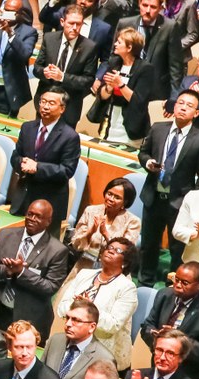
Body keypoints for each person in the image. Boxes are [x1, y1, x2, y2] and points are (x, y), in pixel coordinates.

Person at [138, 89, 199, 286]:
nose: (183, 107)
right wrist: (148, 163)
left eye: (189, 105)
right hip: (153, 197)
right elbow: (143, 153)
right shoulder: (158, 128)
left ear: (196, 113)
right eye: (180, 103)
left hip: (180, 203)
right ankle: (144, 284)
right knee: (148, 245)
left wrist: (192, 201)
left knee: (177, 249)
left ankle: (173, 288)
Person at [0, 199, 69, 343]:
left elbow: (50, 287)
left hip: (30, 318)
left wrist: (22, 272)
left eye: (38, 216)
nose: (32, 219)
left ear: (48, 221)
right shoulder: (6, 235)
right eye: (30, 214)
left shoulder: (57, 250)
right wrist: (6, 271)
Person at [56, 238, 139, 372]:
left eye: (117, 250)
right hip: (72, 341)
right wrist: (77, 306)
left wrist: (90, 309)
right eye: (109, 247)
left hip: (104, 352)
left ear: (125, 262)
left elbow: (113, 325)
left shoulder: (127, 288)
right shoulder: (84, 274)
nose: (110, 251)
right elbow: (62, 308)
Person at [141, 262, 199, 379]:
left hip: (189, 378)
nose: (177, 285)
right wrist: (157, 337)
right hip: (159, 369)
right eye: (176, 280)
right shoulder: (164, 295)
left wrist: (178, 341)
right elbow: (147, 326)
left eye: (184, 283)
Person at [10, 87, 80, 236]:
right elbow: (15, 156)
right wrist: (22, 162)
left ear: (62, 108)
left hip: (50, 203)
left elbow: (67, 170)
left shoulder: (70, 136)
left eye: (51, 103)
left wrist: (37, 167)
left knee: (43, 248)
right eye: (43, 101)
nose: (45, 106)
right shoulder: (27, 127)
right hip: (23, 198)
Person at [33, 6, 98, 128]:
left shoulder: (89, 47)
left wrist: (62, 77)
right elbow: (36, 68)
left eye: (78, 24)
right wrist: (44, 72)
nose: (75, 28)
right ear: (62, 22)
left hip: (69, 108)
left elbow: (88, 80)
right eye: (71, 23)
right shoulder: (49, 38)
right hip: (45, 105)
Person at [90, 28, 154, 146]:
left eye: (119, 42)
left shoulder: (145, 68)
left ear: (129, 48)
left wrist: (120, 85)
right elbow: (102, 96)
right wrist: (109, 88)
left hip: (131, 126)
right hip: (110, 121)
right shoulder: (114, 63)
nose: (115, 44)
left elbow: (139, 101)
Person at [42, 299, 116, 379]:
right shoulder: (55, 340)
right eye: (67, 318)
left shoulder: (104, 358)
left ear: (92, 327)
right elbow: (39, 376)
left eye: (76, 320)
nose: (68, 324)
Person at [67, 177, 141, 280]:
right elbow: (75, 244)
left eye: (117, 197)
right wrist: (90, 232)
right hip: (85, 265)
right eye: (109, 194)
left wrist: (106, 234)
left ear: (125, 202)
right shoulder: (91, 211)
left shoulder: (133, 221)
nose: (111, 199)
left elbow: (125, 254)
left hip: (113, 271)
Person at [0, 0, 38, 117]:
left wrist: (10, 33)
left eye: (12, 12)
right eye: (6, 10)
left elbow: (25, 54)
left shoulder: (29, 32)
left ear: (20, 14)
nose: (7, 14)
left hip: (7, 91)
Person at [109, 0, 183, 100]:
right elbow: (114, 56)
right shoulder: (125, 24)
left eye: (153, 7)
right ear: (139, 4)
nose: (148, 10)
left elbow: (176, 67)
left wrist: (174, 99)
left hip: (155, 89)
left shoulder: (170, 27)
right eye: (144, 5)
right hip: (125, 85)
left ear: (160, 8)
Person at [38, 0, 113, 62]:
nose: (83, 2)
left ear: (96, 4)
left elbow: (106, 60)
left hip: (85, 74)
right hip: (55, 69)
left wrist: (98, 75)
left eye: (89, 0)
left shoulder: (104, 29)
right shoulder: (63, 14)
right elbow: (44, 18)